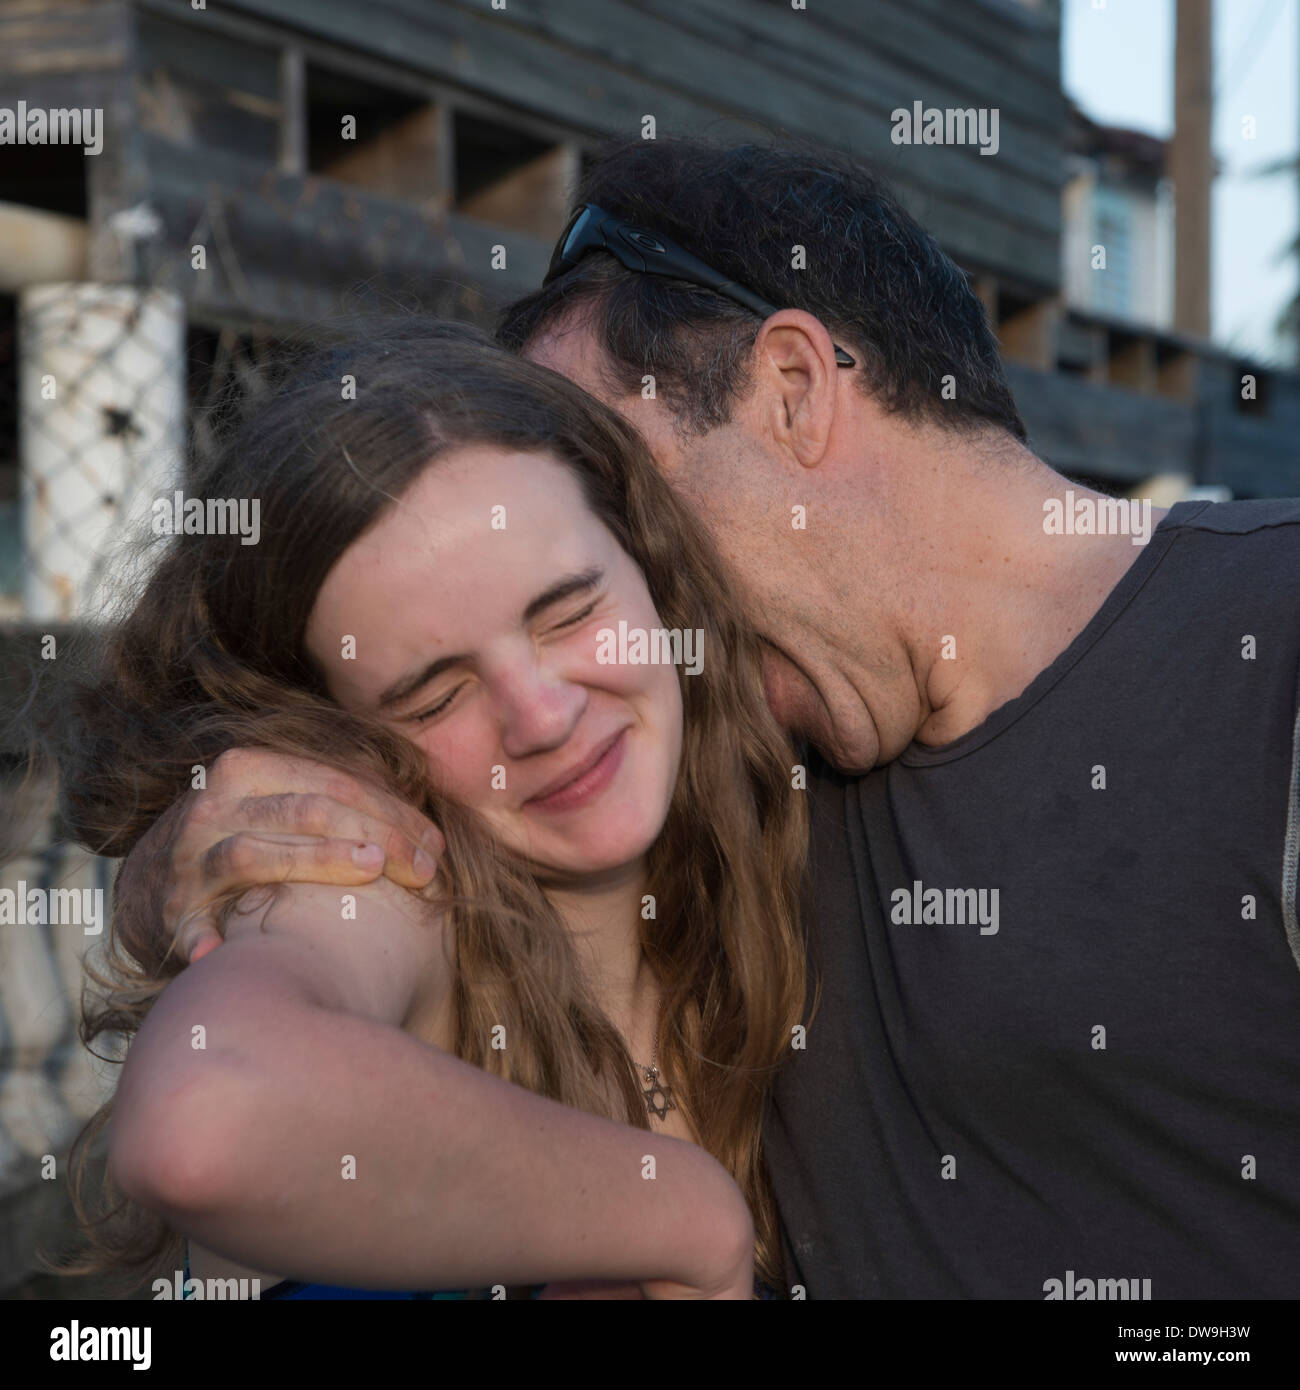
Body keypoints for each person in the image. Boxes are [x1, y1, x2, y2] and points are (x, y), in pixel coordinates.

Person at [144, 134, 1300, 1299]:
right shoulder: (721, 764)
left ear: (792, 389)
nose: (648, 569)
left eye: (631, 500)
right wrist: (188, 857)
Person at [50, 318, 809, 1299]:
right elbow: (205, 1119)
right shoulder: (370, 887)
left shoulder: (801, 835)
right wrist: (684, 1216)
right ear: (334, 741)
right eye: (435, 694)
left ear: (653, 570)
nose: (542, 715)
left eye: (570, 612)